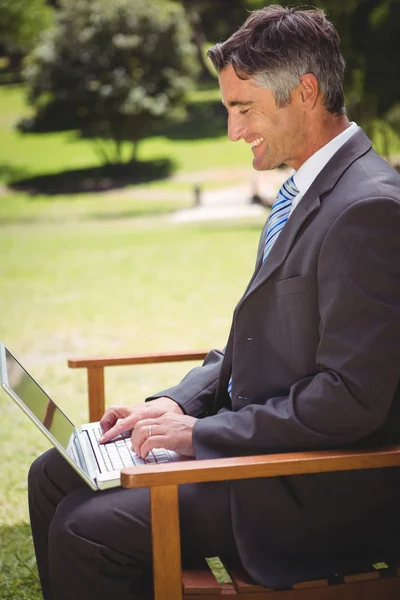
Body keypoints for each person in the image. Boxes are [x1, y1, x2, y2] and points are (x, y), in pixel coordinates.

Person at [28, 5, 400, 599]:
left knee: (85, 529)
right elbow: (254, 349)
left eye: (243, 108)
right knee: (54, 474)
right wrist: (166, 408)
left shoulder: (369, 209)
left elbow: (351, 399)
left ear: (305, 93)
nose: (232, 131)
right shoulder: (306, 191)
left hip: (313, 491)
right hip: (261, 460)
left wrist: (200, 436)